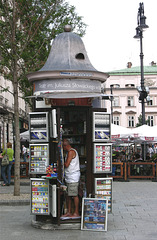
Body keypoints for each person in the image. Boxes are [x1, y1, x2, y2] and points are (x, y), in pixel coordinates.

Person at [61, 139, 80, 219]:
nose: (63, 148)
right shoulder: (69, 152)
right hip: (69, 176)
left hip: (73, 177)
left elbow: (67, 164)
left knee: (74, 194)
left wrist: (60, 162)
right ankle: (68, 212)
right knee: (68, 195)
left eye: (63, 146)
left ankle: (76, 212)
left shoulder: (71, 152)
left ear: (66, 145)